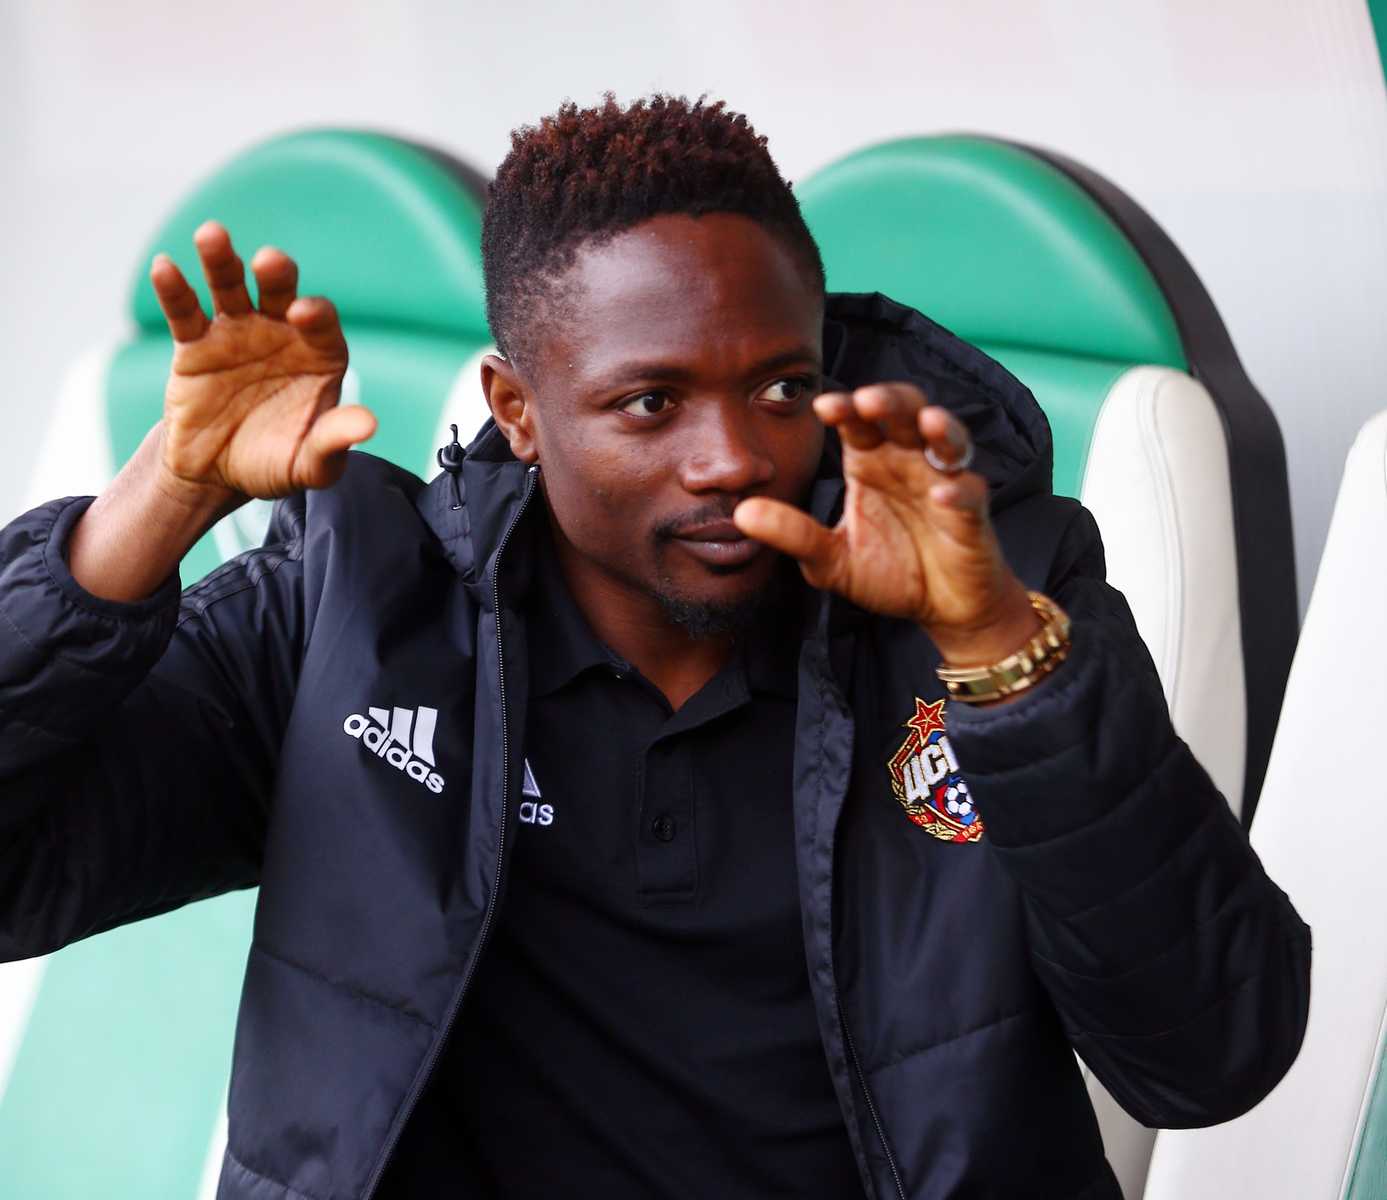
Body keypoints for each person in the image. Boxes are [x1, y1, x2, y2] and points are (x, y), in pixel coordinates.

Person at [0, 95, 1309, 1200]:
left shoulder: (998, 595)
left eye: (780, 387)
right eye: (650, 402)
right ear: (518, 409)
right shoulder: (355, 617)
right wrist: (158, 501)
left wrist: (992, 648)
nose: (732, 456)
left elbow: (1214, 1054)